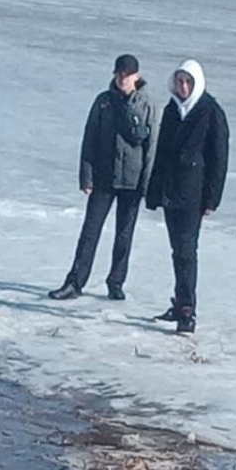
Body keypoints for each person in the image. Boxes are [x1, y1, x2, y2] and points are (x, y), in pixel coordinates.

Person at [49, 54, 158, 302]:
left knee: (124, 234)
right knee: (90, 231)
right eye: (118, 74)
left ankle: (116, 282)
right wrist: (86, 177)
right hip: (104, 178)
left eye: (126, 75)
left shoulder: (148, 104)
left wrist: (147, 183)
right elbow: (90, 139)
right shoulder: (103, 102)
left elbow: (152, 146)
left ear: (136, 76)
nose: (121, 79)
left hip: (132, 181)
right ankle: (75, 282)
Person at [145, 59, 229, 334]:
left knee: (186, 251)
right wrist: (154, 190)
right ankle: (180, 301)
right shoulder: (172, 111)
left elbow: (219, 158)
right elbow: (161, 153)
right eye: (180, 81)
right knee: (177, 251)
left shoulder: (210, 112)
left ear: (196, 84)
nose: (183, 87)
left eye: (188, 82)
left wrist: (212, 198)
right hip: (171, 192)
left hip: (193, 195)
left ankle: (187, 311)